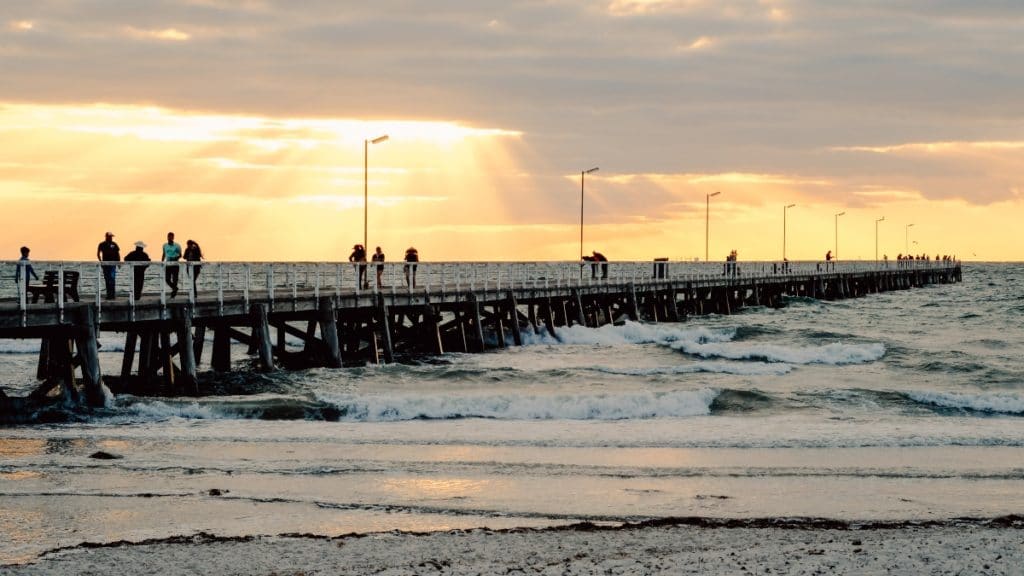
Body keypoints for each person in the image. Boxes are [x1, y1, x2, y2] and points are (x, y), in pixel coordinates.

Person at [97, 231, 120, 299]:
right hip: (105, 264)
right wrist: (101, 262)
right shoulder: (102, 244)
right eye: (109, 236)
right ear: (106, 236)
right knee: (107, 279)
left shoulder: (114, 244)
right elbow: (98, 253)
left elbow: (117, 254)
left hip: (113, 264)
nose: (111, 238)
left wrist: (118, 263)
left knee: (112, 279)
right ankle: (109, 295)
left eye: (111, 237)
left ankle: (112, 295)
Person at [162, 232, 183, 298]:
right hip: (168, 264)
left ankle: (173, 294)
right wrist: (162, 262)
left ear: (173, 237)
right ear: (167, 237)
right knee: (167, 279)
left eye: (171, 237)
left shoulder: (177, 245)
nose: (170, 238)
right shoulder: (165, 245)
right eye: (169, 236)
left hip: (175, 264)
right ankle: (175, 288)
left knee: (175, 279)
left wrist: (175, 258)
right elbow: (164, 254)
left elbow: (180, 255)